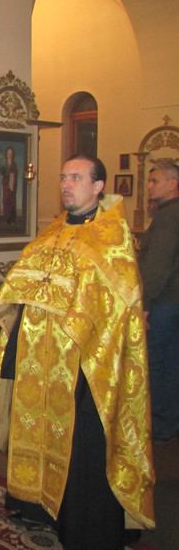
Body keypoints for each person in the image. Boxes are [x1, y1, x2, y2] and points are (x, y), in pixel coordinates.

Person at [0, 154, 154, 549]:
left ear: (98, 186)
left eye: (76, 178)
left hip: (84, 362)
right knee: (36, 426)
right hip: (36, 356)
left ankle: (83, 522)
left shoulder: (113, 238)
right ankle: (35, 504)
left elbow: (116, 305)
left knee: (80, 441)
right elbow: (25, 285)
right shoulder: (53, 231)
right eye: (63, 177)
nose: (66, 184)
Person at [138, 159, 179, 444]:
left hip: (164, 302)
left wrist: (145, 305)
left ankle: (159, 425)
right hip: (173, 300)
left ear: (173, 183)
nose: (149, 187)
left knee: (157, 363)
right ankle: (169, 422)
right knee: (172, 361)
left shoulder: (168, 217)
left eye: (155, 181)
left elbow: (158, 265)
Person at [0, 146, 18, 223]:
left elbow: (15, 174)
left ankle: (11, 219)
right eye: (8, 154)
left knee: (11, 202)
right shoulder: (4, 164)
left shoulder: (14, 165)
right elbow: (2, 173)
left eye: (11, 154)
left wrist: (12, 177)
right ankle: (6, 217)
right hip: (6, 186)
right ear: (6, 154)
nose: (10, 155)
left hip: (12, 186)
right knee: (5, 200)